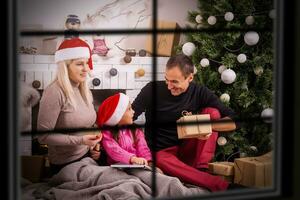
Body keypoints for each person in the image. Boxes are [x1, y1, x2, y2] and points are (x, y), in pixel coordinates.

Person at [132, 54, 237, 192]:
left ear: (190, 78)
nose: (169, 86)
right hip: (161, 153)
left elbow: (234, 121)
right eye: (166, 80)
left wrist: (204, 126)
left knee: (213, 113)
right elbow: (130, 116)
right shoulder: (152, 89)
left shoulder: (199, 92)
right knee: (160, 159)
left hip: (188, 150)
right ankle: (219, 185)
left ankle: (201, 170)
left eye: (175, 82)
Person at [37, 38, 102, 175]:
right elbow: (43, 137)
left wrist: (94, 143)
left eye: (86, 63)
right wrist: (81, 140)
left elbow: (88, 124)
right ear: (65, 67)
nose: (86, 69)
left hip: (86, 157)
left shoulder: (84, 89)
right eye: (79, 64)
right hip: (65, 164)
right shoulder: (54, 92)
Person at [97, 93, 159, 169]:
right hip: (118, 167)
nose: (133, 112)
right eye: (129, 109)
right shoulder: (107, 133)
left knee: (155, 174)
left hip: (136, 165)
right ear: (118, 115)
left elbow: (142, 148)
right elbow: (114, 150)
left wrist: (149, 162)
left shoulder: (135, 130)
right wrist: (132, 159)